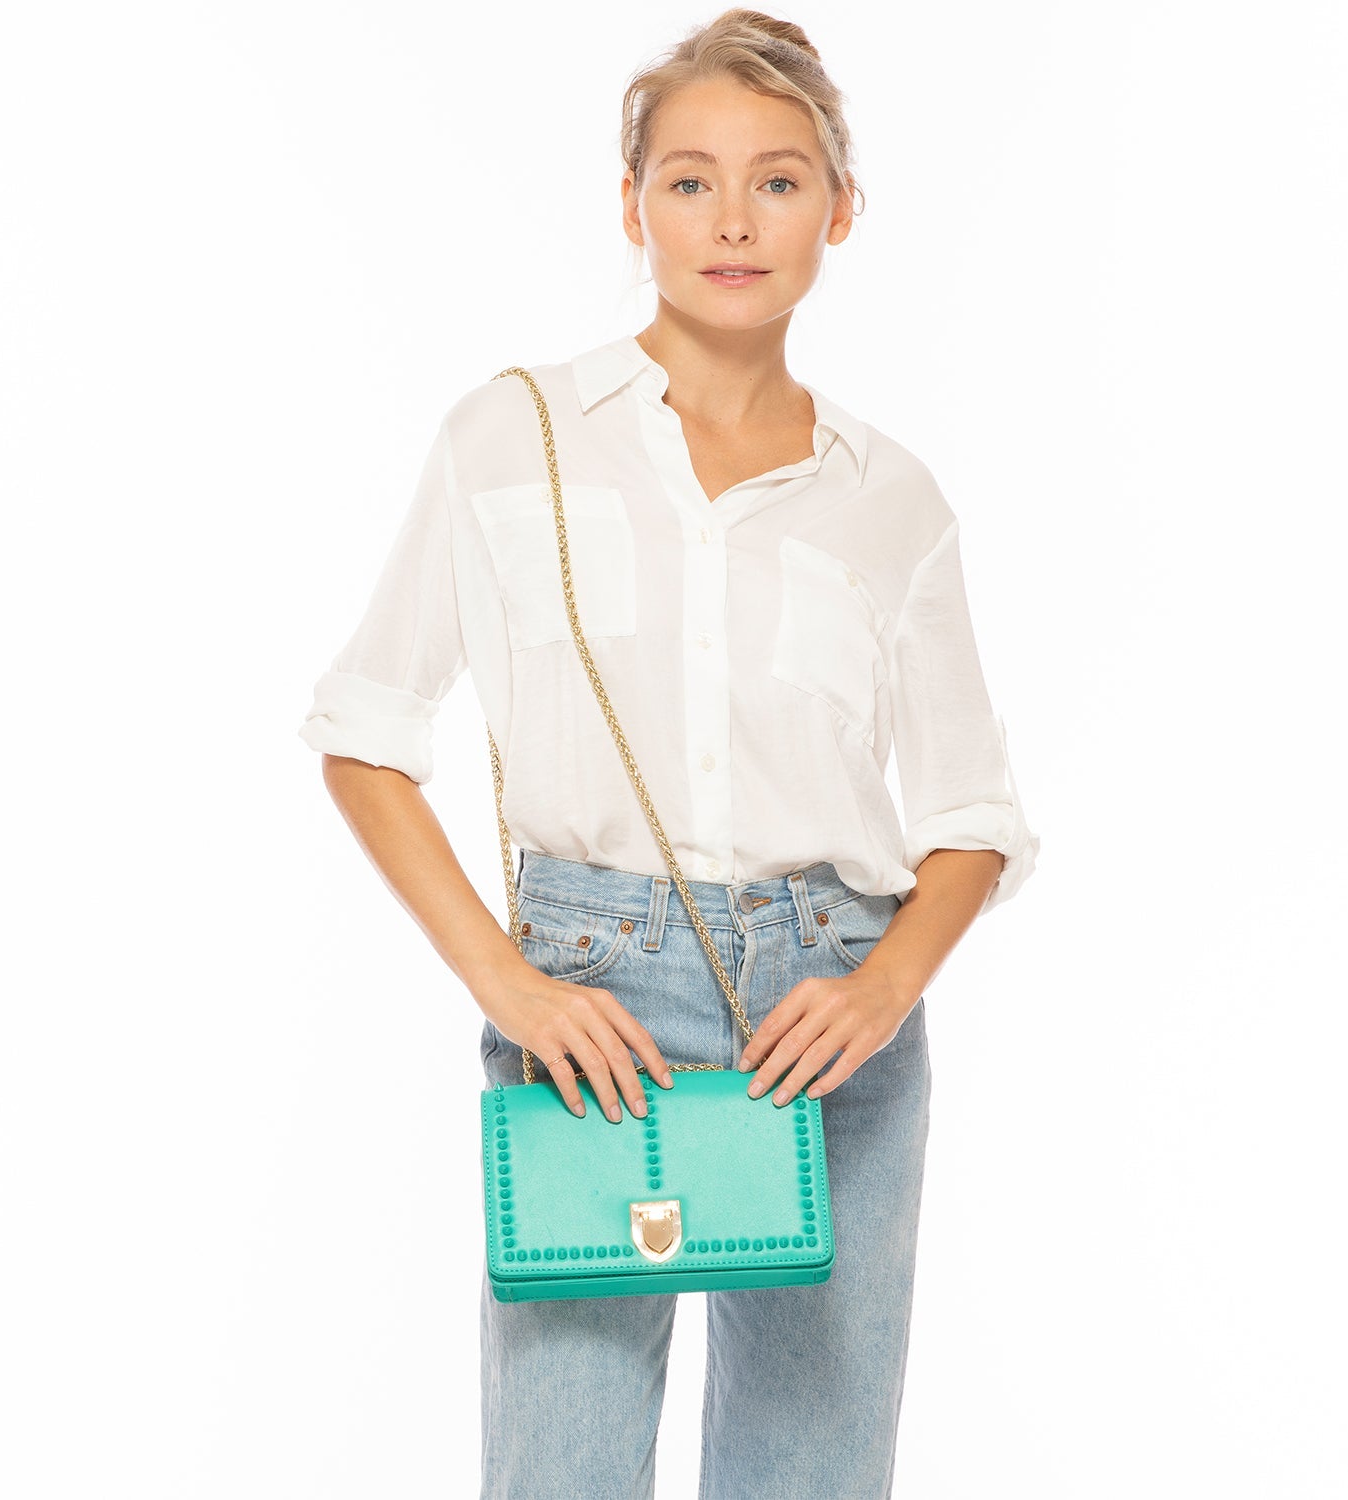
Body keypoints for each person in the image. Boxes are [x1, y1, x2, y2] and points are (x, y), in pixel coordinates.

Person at [297, 9, 1040, 1496]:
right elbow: (364, 734)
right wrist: (507, 984)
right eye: (690, 180)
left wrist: (884, 988)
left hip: (829, 1022)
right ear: (631, 205)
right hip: (591, 1011)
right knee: (557, 1470)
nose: (733, 221)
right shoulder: (511, 438)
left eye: (779, 180)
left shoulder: (892, 498)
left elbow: (971, 812)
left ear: (842, 209)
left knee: (808, 1475)